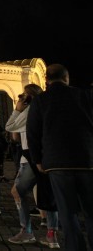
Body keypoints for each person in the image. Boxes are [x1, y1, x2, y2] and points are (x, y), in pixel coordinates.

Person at [27, 64, 93, 251]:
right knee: (91, 211)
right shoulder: (85, 96)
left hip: (57, 163)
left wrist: (37, 160)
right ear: (67, 78)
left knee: (67, 212)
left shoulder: (40, 101)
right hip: (86, 160)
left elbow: (33, 133)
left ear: (46, 80)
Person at [5, 83, 61, 246]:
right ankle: (52, 235)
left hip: (30, 157)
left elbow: (10, 127)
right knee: (48, 194)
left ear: (29, 97)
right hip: (49, 156)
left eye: (23, 95)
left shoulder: (30, 110)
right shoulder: (48, 108)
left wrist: (17, 109)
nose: (21, 98)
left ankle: (26, 230)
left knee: (18, 191)